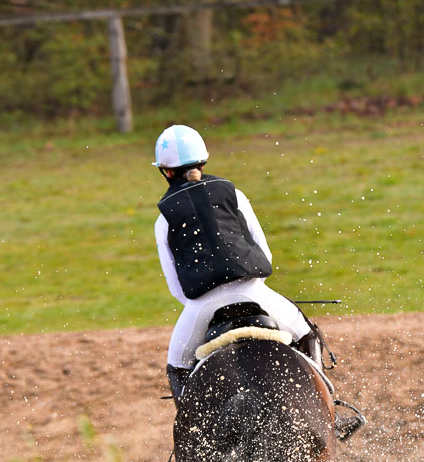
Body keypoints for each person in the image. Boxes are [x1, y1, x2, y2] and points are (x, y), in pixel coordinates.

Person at [152, 124, 364, 439]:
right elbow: (263, 251)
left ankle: (193, 440)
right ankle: (328, 414)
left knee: (177, 367)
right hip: (255, 291)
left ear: (166, 172)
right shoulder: (233, 193)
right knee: (307, 335)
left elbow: (176, 286)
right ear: (204, 161)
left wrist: (205, 303)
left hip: (201, 305)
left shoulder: (164, 218)